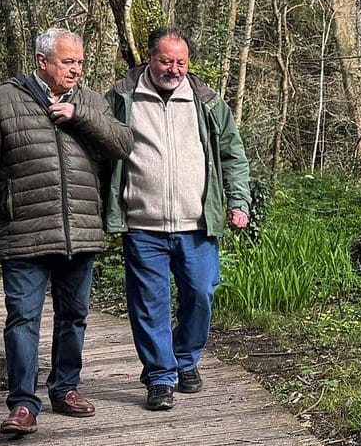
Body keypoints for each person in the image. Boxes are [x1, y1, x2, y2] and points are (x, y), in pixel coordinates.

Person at [0, 28, 134, 437]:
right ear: (42, 62)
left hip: (81, 230)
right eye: (67, 61)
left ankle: (65, 388)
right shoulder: (1, 102)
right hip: (24, 229)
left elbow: (123, 144)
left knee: (74, 316)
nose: (76, 69)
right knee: (23, 317)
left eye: (79, 61)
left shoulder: (90, 102)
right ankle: (22, 404)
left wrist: (82, 117)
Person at [105, 27, 252, 412]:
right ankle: (160, 377)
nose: (174, 69)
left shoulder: (205, 101)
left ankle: (185, 360)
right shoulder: (122, 98)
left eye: (181, 62)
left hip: (197, 224)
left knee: (201, 295)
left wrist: (238, 202)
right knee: (149, 304)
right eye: (166, 61)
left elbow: (232, 155)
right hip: (142, 223)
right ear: (149, 58)